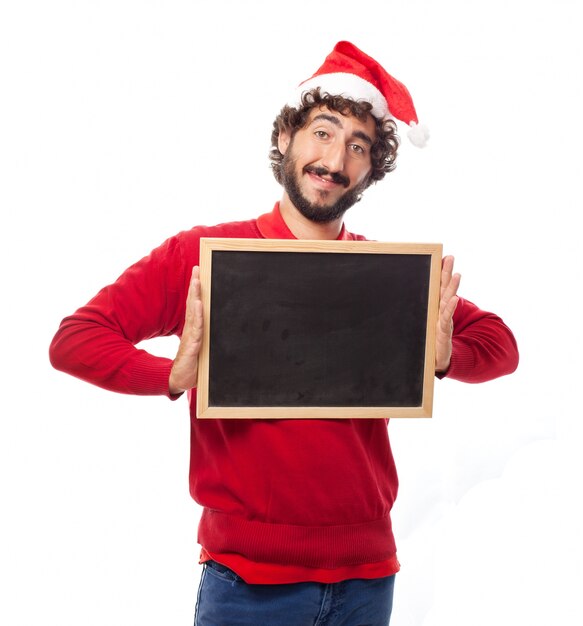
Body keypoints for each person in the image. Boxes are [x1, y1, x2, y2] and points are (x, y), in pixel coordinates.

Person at [49, 41, 519, 626]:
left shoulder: (390, 275)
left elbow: (502, 344)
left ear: (370, 169)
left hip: (368, 581)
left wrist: (447, 359)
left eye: (358, 145)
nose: (336, 158)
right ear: (285, 139)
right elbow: (77, 338)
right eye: (322, 132)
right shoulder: (204, 257)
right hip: (247, 584)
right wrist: (171, 374)